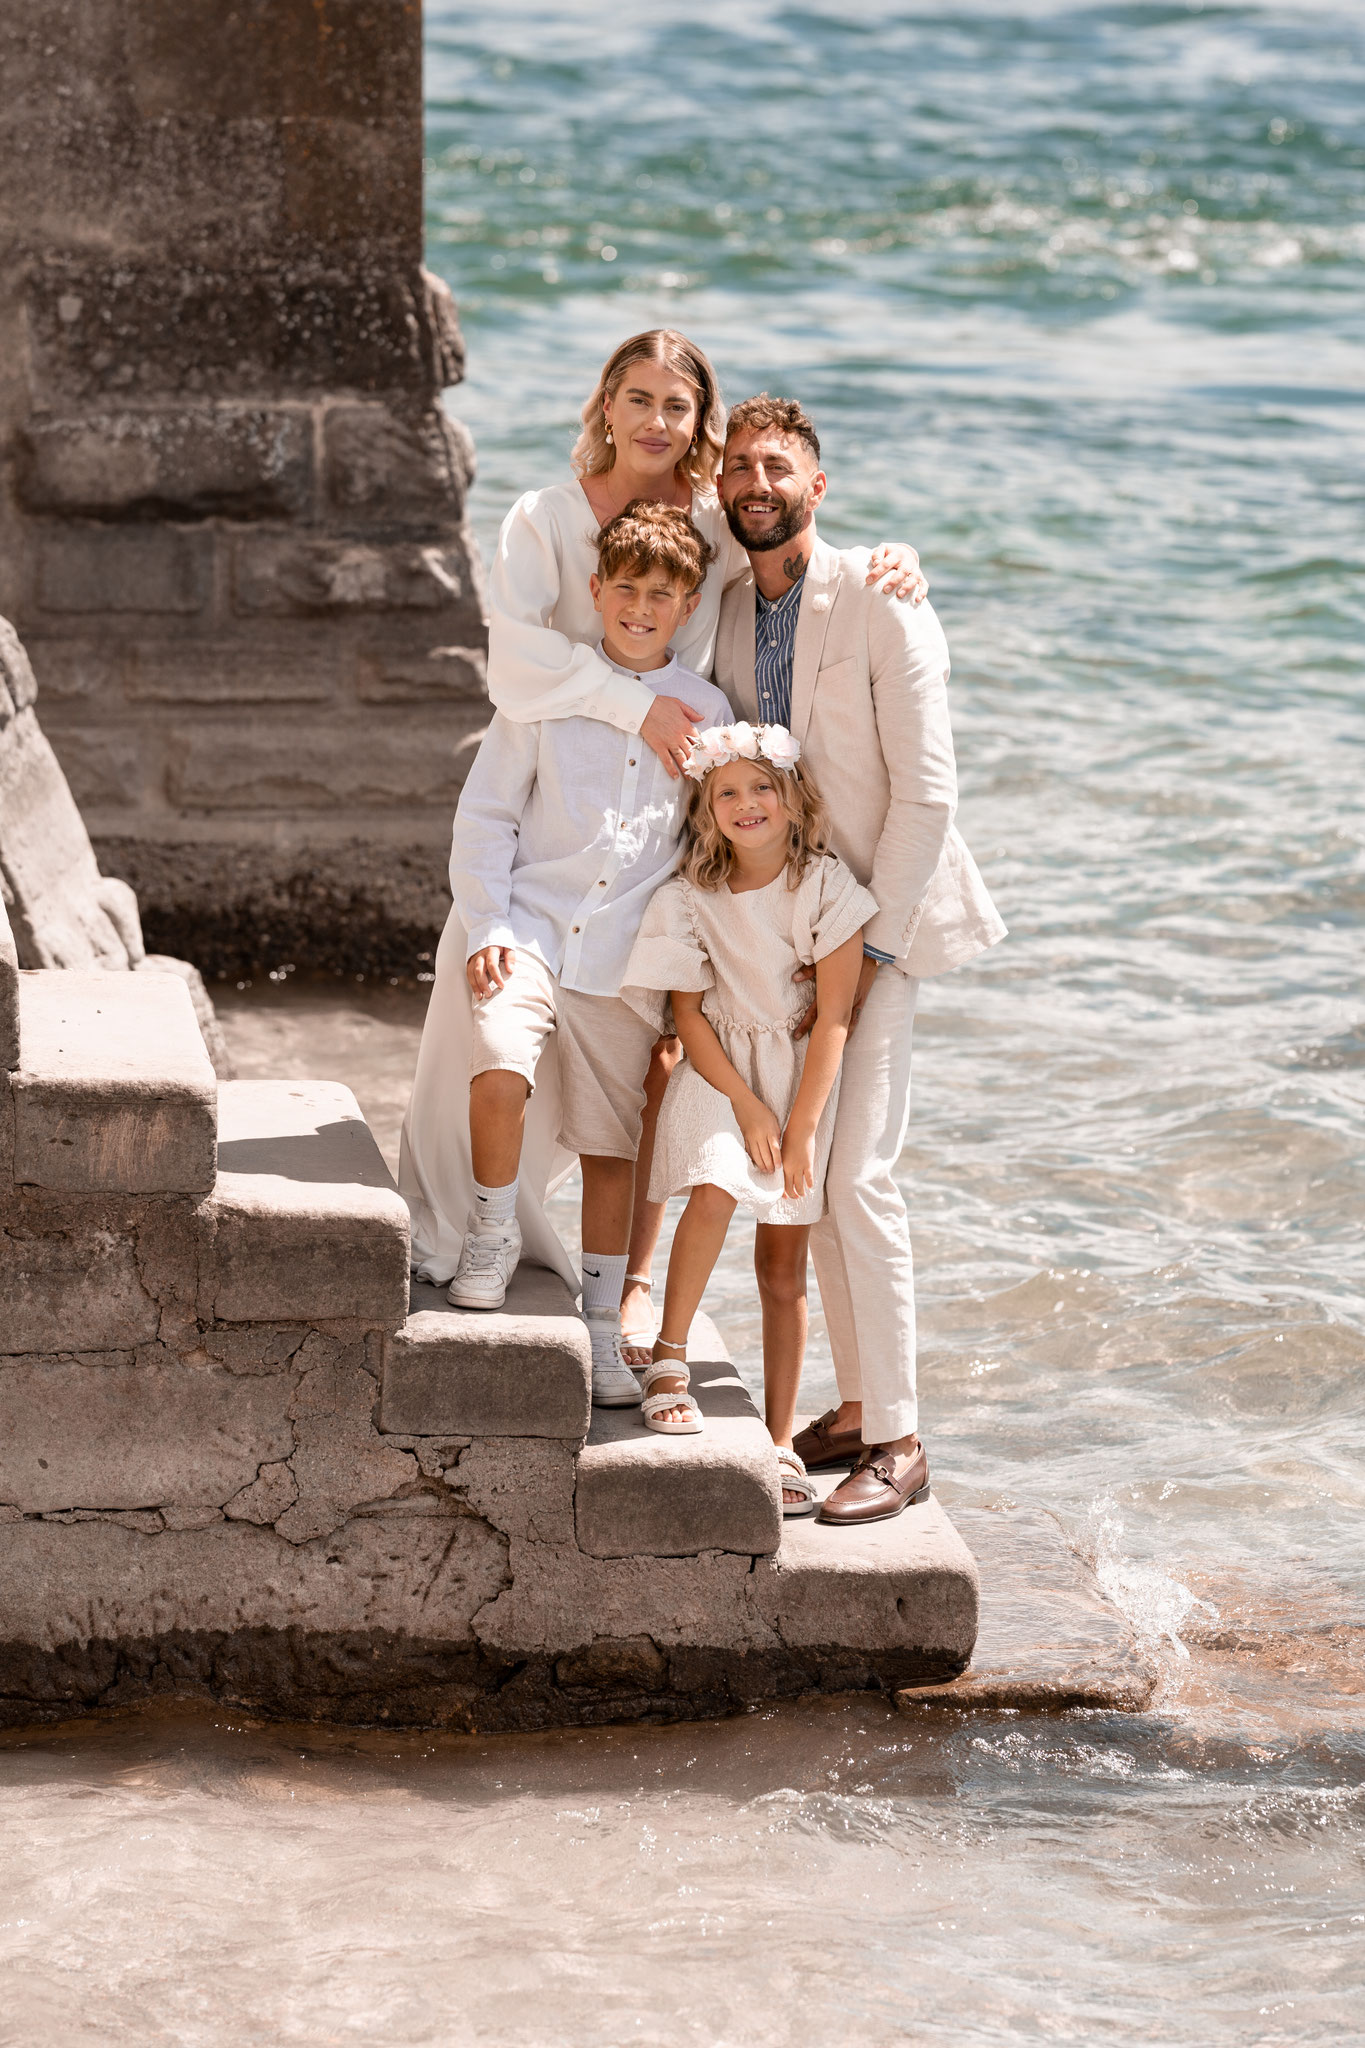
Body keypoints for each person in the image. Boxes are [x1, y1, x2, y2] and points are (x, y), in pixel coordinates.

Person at [400, 328, 927, 1355]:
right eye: (635, 398)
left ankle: (623, 1289)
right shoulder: (541, 520)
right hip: (550, 835)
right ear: (606, 403)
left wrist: (885, 561)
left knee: (638, 1089)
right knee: (489, 1057)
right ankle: (489, 1232)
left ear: (701, 422)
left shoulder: (708, 526)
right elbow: (515, 671)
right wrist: (628, 705)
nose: (653, 420)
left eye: (676, 406)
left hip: (645, 876)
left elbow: (789, 529)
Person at [712, 394, 1007, 1526]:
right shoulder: (728, 604)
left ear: (816, 487)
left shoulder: (885, 605)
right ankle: (857, 1402)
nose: (755, 482)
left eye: (776, 466)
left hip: (882, 923)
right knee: (810, 1177)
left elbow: (930, 796)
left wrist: (875, 946)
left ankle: (902, 1437)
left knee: (856, 1175)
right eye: (737, 465)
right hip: (783, 930)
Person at [436, 502, 733, 1404]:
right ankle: (491, 1234)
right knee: (497, 1067)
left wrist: (700, 969)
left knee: (612, 1144)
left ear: (686, 608)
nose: (642, 607)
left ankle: (603, 1326)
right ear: (597, 591)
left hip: (623, 961)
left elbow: (710, 844)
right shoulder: (546, 697)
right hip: (529, 927)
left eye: (662, 594)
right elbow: (486, 814)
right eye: (627, 588)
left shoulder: (708, 712)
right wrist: (487, 923)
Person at [621, 724, 877, 1505]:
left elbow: (834, 1016)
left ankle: (777, 1439)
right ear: (704, 810)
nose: (745, 803)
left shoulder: (825, 887)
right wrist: (745, 1104)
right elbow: (687, 1017)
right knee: (715, 1182)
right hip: (718, 1069)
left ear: (793, 798)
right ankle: (669, 1356)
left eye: (761, 786)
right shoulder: (686, 897)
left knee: (781, 1267)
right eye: (725, 791)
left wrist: (797, 1127)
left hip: (799, 1081)